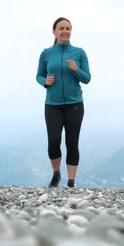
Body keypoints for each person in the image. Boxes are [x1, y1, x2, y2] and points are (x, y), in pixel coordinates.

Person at [36, 17, 91, 188]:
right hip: (53, 104)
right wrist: (46, 82)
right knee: (53, 141)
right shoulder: (46, 53)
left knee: (72, 142)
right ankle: (56, 173)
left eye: (68, 28)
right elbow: (38, 75)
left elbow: (87, 78)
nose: (65, 31)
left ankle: (71, 182)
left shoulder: (79, 52)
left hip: (75, 104)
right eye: (61, 28)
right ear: (54, 31)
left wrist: (76, 70)